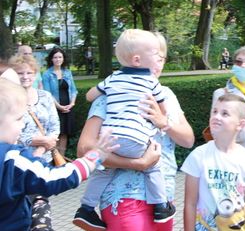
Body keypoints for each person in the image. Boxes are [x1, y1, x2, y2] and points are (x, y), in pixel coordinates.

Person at [75, 31, 195, 231]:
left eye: (161, 57)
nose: (158, 62)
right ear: (136, 59)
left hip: (163, 200)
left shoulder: (167, 95)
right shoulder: (110, 94)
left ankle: (86, 208)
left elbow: (188, 140)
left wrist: (162, 122)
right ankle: (86, 208)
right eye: (154, 56)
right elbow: (84, 150)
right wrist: (137, 164)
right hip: (124, 197)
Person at [0, 77, 117, 231]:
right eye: (18, 119)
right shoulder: (13, 159)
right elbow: (52, 178)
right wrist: (92, 158)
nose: (22, 125)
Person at [182, 92, 245, 230]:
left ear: (240, 124)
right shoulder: (198, 156)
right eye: (214, 111)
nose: (216, 117)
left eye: (225, 114)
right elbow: (190, 203)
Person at [9, 54, 61, 231]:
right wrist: (38, 141)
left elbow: (55, 126)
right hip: (18, 162)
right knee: (23, 205)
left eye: (29, 73)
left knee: (40, 204)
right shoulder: (10, 99)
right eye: (20, 73)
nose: (25, 77)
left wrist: (44, 146)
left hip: (42, 161)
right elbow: (10, 129)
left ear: (35, 74)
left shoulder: (45, 96)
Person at [42, 47, 78, 156]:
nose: (58, 59)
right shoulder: (47, 74)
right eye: (55, 57)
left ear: (63, 59)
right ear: (51, 59)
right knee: (55, 133)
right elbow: (48, 94)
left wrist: (72, 103)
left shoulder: (67, 72)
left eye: (60, 57)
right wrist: (59, 107)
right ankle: (53, 158)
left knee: (64, 134)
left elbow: (73, 90)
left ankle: (61, 158)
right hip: (54, 108)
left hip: (68, 107)